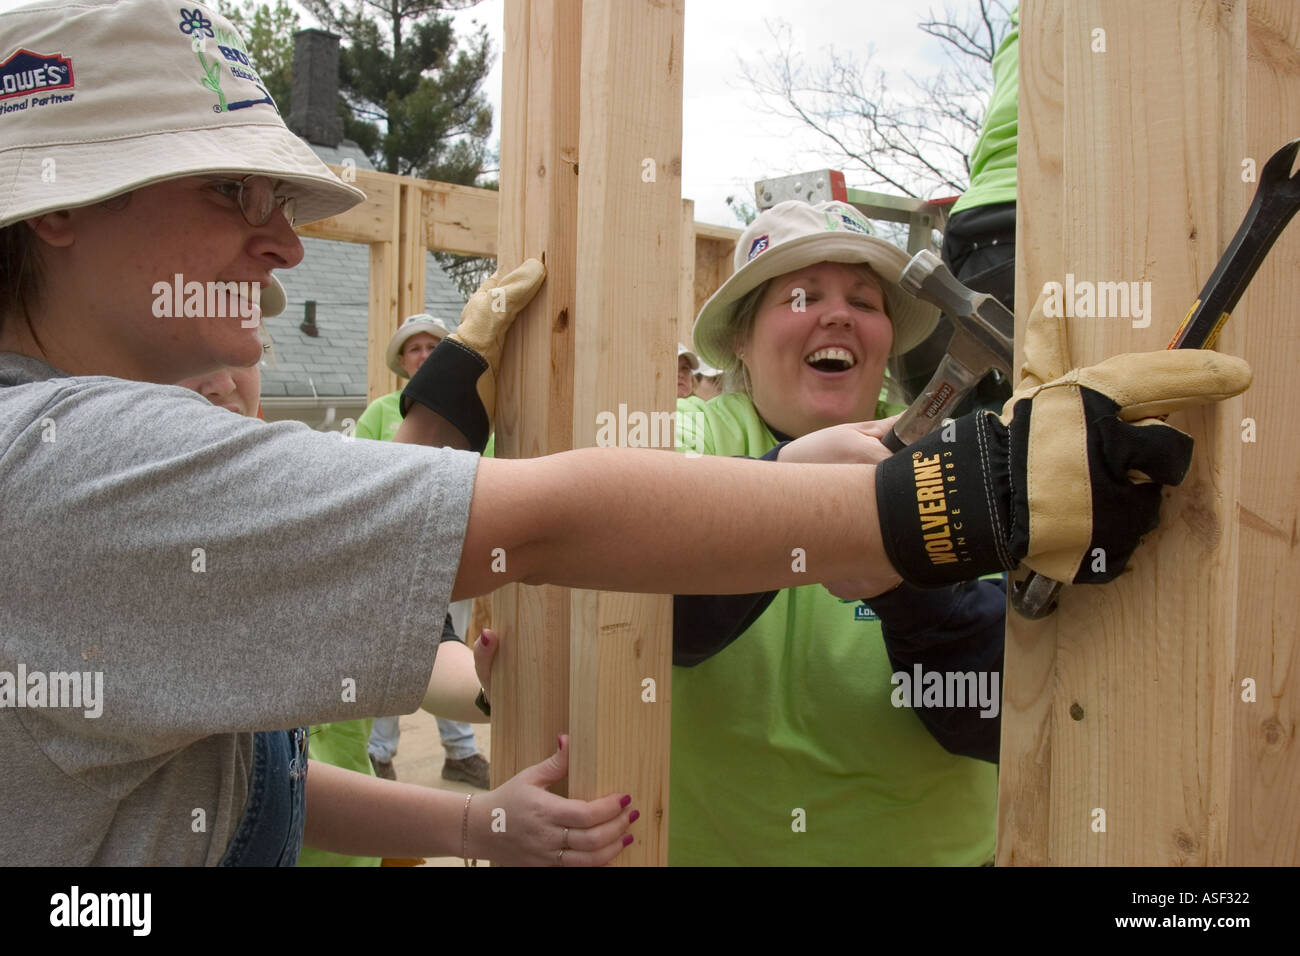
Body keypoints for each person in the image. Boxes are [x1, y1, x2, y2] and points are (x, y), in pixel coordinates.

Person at [0, 0, 1248, 865]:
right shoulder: (68, 462)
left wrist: (470, 826)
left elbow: (223, 777)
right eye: (231, 189)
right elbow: (558, 530)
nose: (280, 241)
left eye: (864, 295)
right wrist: (920, 509)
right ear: (58, 208)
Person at [360, 312, 492, 790]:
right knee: (393, 654)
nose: (423, 353)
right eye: (413, 348)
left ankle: (460, 753)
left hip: (457, 553)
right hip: (396, 557)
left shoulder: (481, 416)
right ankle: (379, 754)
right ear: (401, 360)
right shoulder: (380, 412)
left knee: (450, 648)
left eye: (432, 346)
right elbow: (361, 475)